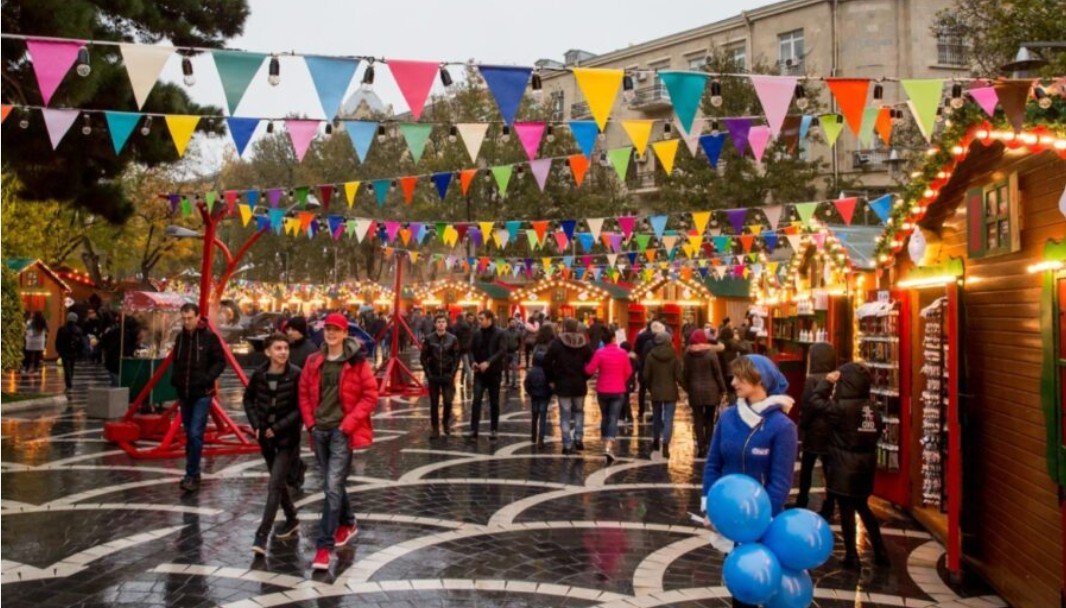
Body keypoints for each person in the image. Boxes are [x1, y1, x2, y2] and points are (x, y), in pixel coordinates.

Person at [298, 313, 379, 571]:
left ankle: (324, 547)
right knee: (334, 483)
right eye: (328, 329)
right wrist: (310, 422)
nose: (331, 333)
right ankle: (349, 522)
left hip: (341, 432)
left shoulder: (357, 362)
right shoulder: (314, 361)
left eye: (336, 330)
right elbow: (303, 393)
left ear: (345, 333)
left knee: (332, 486)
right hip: (319, 431)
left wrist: (347, 426)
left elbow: (370, 395)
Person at [808, 363, 888, 569]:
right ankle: (880, 551)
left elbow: (815, 401)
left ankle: (852, 556)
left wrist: (826, 382)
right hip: (865, 465)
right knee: (863, 507)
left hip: (843, 466)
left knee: (846, 511)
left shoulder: (841, 408)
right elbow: (877, 432)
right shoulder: (872, 408)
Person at [702, 355, 798, 517]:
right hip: (725, 512)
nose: (733, 383)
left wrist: (757, 517)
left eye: (740, 377)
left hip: (760, 518)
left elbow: (780, 484)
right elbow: (713, 465)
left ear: (759, 378)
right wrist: (709, 507)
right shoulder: (727, 417)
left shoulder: (783, 426)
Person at [243, 334, 303, 556]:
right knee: (277, 484)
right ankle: (292, 518)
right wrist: (256, 424)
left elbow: (301, 408)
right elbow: (248, 399)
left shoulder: (296, 374)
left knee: (274, 484)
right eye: (278, 348)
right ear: (268, 352)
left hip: (287, 438)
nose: (283, 352)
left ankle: (262, 534)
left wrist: (278, 427)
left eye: (286, 348)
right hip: (265, 437)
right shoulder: (259, 374)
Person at [170, 303, 226, 493]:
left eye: (189, 318)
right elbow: (177, 361)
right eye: (183, 318)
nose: (186, 322)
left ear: (198, 317)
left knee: (195, 433)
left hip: (202, 393)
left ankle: (191, 474)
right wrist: (175, 380)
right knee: (190, 435)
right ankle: (193, 471)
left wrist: (207, 378)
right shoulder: (180, 338)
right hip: (185, 393)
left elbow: (221, 361)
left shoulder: (209, 338)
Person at [796, 342, 837, 516]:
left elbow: (807, 405)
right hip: (831, 431)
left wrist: (802, 426)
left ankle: (802, 500)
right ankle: (830, 504)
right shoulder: (835, 379)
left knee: (807, 468)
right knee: (829, 470)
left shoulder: (812, 380)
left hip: (814, 431)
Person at [543, 318, 593, 455]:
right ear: (577, 328)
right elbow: (592, 363)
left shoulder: (557, 343)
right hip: (579, 384)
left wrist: (551, 379)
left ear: (564, 328)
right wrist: (585, 376)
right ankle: (578, 438)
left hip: (562, 384)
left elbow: (546, 362)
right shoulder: (584, 343)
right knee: (579, 412)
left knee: (565, 415)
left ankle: (567, 444)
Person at [585, 331, 632, 462]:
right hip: (618, 390)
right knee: (613, 418)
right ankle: (608, 446)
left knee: (605, 417)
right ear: (613, 339)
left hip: (603, 389)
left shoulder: (599, 353)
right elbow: (628, 371)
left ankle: (605, 441)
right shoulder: (623, 353)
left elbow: (589, 370)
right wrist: (621, 380)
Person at [682, 329, 728, 458]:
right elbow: (717, 374)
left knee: (697, 419)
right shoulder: (711, 353)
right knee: (709, 418)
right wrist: (723, 389)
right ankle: (708, 444)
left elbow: (685, 374)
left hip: (694, 390)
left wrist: (687, 388)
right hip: (711, 390)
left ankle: (700, 446)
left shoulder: (688, 354)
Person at [642, 324, 682, 459]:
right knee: (669, 419)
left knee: (657, 418)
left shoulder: (650, 356)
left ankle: (655, 441)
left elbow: (646, 375)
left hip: (656, 391)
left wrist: (650, 387)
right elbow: (679, 375)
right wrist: (685, 387)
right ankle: (665, 445)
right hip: (671, 391)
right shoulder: (674, 356)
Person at [466, 310, 507, 440]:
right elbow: (470, 350)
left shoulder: (500, 333)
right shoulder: (477, 333)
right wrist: (472, 362)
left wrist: (489, 362)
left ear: (489, 319)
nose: (479, 321)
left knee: (494, 402)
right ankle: (474, 429)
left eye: (481, 319)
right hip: (479, 373)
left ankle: (494, 429)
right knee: (476, 400)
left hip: (494, 373)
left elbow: (502, 350)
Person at [420, 314, 460, 438]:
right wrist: (428, 374)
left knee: (448, 402)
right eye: (439, 322)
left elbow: (456, 358)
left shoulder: (453, 339)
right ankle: (435, 428)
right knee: (434, 403)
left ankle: (445, 423)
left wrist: (452, 374)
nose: (441, 324)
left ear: (446, 324)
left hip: (447, 376)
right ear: (435, 324)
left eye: (443, 322)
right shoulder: (429, 339)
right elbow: (423, 358)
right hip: (434, 376)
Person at [523, 324, 554, 449]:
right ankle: (541, 437)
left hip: (534, 383)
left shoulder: (536, 346)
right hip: (546, 382)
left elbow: (527, 382)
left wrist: (529, 389)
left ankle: (533, 435)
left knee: (534, 412)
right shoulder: (551, 346)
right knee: (543, 412)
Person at [55, 312, 85, 392]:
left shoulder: (62, 329)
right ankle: (70, 382)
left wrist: (58, 350)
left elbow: (58, 341)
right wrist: (80, 352)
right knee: (71, 367)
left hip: (64, 351)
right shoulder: (78, 330)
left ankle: (69, 384)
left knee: (67, 368)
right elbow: (81, 342)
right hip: (73, 351)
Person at [633, 322, 655, 422]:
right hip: (654, 366)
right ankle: (656, 412)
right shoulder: (656, 336)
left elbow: (636, 349)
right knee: (654, 390)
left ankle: (641, 411)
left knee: (642, 390)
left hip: (643, 364)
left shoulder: (641, 336)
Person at [452, 312, 475, 387]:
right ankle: (470, 381)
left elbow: (453, 337)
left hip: (457, 349)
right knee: (467, 366)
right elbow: (469, 338)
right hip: (465, 349)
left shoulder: (455, 326)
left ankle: (452, 381)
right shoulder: (467, 326)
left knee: (455, 366)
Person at [619, 341, 638, 428]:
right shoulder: (634, 358)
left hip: (623, 381)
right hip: (630, 381)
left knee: (624, 399)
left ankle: (627, 416)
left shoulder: (622, 357)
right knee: (625, 398)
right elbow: (638, 368)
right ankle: (624, 416)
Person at [503, 317, 523, 389]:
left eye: (514, 322)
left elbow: (521, 342)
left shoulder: (518, 332)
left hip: (515, 352)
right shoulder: (504, 332)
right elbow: (502, 342)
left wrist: (519, 350)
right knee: (506, 368)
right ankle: (507, 381)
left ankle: (514, 383)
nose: (513, 324)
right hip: (506, 352)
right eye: (511, 322)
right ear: (508, 323)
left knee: (514, 368)